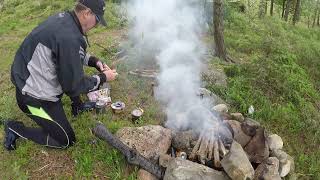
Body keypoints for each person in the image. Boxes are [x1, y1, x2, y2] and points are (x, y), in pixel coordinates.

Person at [3, 0, 118, 150]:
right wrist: (103, 77)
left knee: (72, 69)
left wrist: (95, 61)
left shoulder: (65, 20)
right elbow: (73, 86)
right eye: (97, 20)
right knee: (66, 139)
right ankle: (15, 128)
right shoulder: (68, 36)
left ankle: (77, 106)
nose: (96, 25)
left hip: (30, 80)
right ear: (87, 13)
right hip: (31, 100)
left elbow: (69, 53)